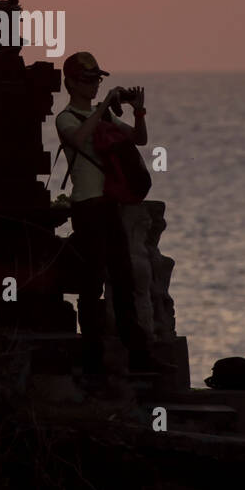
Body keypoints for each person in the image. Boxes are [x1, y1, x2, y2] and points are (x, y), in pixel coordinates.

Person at [56, 51, 155, 378]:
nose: (95, 85)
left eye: (98, 79)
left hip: (108, 207)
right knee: (91, 284)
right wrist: (104, 107)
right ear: (70, 82)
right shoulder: (66, 117)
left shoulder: (106, 118)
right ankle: (93, 359)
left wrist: (137, 111)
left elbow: (139, 139)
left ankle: (139, 356)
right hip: (86, 208)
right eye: (88, 80)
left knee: (124, 280)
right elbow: (79, 138)